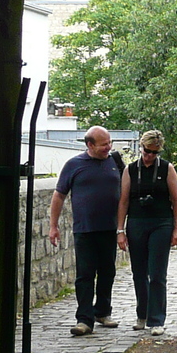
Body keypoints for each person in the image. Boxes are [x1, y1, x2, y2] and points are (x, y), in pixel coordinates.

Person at [49, 126, 124, 336]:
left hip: (110, 228)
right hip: (85, 229)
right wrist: (53, 226)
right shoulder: (74, 165)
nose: (108, 147)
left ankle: (103, 311)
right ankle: (84, 319)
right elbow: (59, 196)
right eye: (103, 144)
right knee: (85, 274)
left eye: (109, 142)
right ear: (90, 145)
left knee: (107, 272)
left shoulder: (115, 162)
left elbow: (126, 192)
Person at [116, 130, 177, 335]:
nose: (149, 156)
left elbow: (176, 200)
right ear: (141, 148)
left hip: (161, 223)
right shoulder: (130, 169)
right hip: (136, 222)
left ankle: (156, 319)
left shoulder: (166, 168)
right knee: (139, 272)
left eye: (154, 153)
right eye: (146, 151)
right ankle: (142, 314)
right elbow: (124, 200)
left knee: (157, 273)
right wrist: (120, 230)